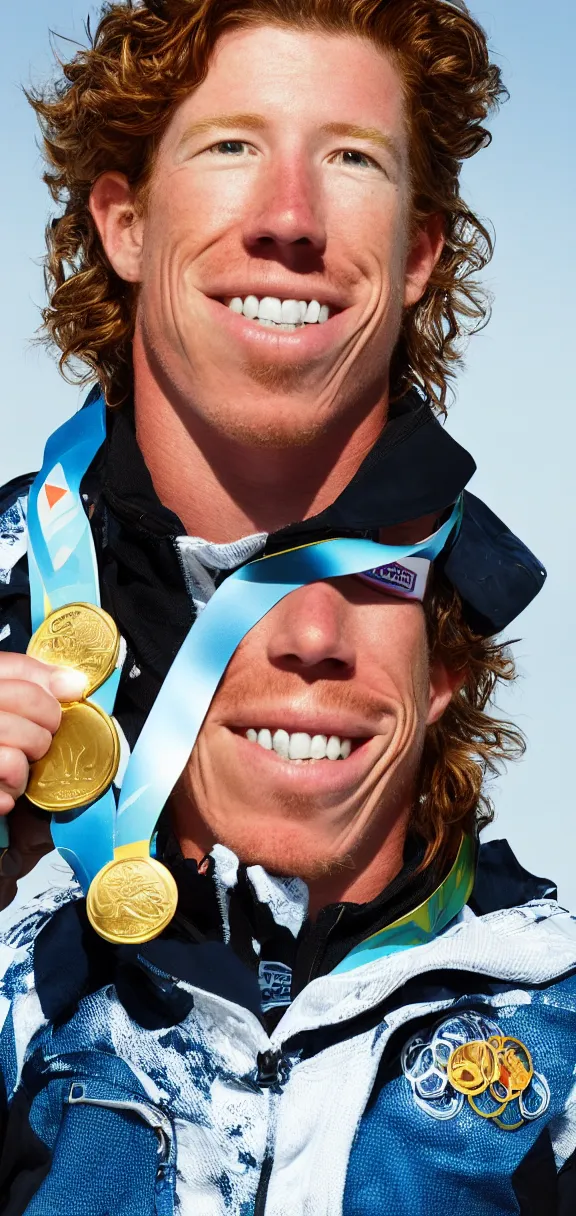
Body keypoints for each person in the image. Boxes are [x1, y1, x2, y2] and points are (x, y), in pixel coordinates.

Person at [0, 0, 517, 902]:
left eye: (352, 157)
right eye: (232, 146)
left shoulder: (539, 1001)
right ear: (126, 225)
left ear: (417, 256)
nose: (290, 216)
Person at [0, 546, 574, 1215]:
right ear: (147, 660)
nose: (313, 637)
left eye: (378, 572)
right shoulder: (26, 998)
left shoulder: (557, 1017)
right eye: (244, 579)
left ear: (439, 674)